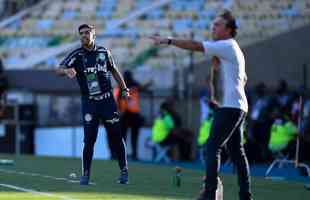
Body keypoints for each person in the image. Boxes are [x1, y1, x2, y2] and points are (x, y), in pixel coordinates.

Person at [150, 10, 252, 200]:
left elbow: (195, 45)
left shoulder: (226, 45)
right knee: (237, 153)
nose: (213, 27)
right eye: (213, 24)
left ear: (229, 30)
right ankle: (245, 196)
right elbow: (240, 79)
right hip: (236, 106)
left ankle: (210, 193)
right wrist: (217, 95)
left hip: (230, 107)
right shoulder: (232, 48)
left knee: (212, 148)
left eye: (217, 25)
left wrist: (168, 40)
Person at [56, 24, 129, 185]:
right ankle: (86, 174)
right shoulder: (77, 55)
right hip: (89, 103)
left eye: (87, 32)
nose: (84, 35)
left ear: (93, 34)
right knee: (89, 140)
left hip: (108, 101)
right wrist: (66, 71)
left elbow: (114, 70)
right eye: (81, 33)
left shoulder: (104, 52)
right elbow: (58, 69)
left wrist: (124, 88)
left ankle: (124, 171)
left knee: (116, 136)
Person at [114, 70, 151, 160]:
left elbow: (117, 99)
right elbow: (117, 98)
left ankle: (128, 154)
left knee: (125, 135)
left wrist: (119, 110)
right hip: (129, 113)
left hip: (128, 113)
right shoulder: (132, 84)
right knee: (129, 136)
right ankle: (129, 154)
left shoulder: (123, 84)